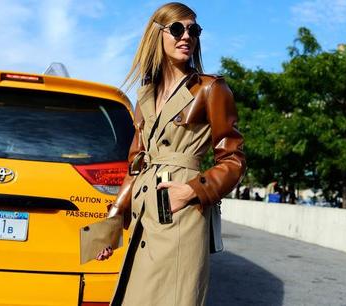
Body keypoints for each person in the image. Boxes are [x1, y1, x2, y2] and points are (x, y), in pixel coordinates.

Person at [95, 3, 246, 305]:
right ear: (157, 35)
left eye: (194, 30)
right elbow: (136, 165)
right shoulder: (145, 95)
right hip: (143, 218)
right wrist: (111, 223)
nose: (186, 36)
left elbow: (234, 159)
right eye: (177, 28)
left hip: (181, 214)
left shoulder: (210, 89)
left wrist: (191, 192)